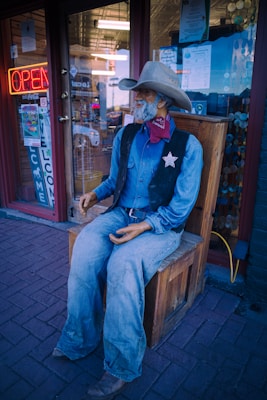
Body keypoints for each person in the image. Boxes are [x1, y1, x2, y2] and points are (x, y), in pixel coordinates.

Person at [53, 61, 203, 399]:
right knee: (86, 246)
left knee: (123, 264)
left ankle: (121, 364)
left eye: (144, 93)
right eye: (136, 93)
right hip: (121, 213)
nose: (136, 99)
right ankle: (80, 338)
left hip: (161, 225)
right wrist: (95, 194)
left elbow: (180, 208)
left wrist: (144, 226)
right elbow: (113, 181)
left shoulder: (187, 147)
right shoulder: (126, 134)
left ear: (162, 100)